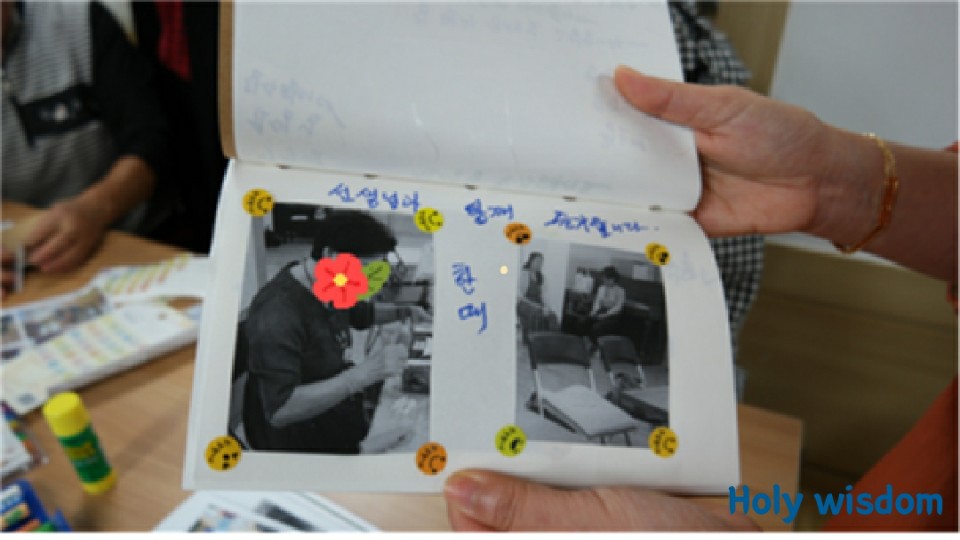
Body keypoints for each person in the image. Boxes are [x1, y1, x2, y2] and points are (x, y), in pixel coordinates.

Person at [442, 66, 957, 531]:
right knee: (583, 328)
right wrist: (828, 183)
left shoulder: (613, 287)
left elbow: (610, 308)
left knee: (596, 332)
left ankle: (605, 368)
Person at [0, 0, 168, 296]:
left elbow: (150, 141)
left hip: (125, 241)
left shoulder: (80, 19)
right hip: (18, 270)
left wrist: (96, 208)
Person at [239, 210, 431, 454]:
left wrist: (404, 312)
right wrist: (362, 375)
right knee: (410, 437)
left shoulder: (321, 281)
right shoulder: (278, 313)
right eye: (365, 269)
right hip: (292, 435)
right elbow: (280, 410)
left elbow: (358, 313)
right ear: (331, 255)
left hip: (331, 403)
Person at [516, 251, 557, 344]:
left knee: (552, 316)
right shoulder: (524, 274)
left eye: (541, 262)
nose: (539, 264)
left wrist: (547, 307)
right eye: (537, 261)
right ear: (531, 261)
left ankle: (549, 342)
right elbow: (519, 296)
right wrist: (536, 306)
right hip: (524, 303)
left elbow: (545, 295)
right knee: (536, 314)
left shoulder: (542, 277)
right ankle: (533, 341)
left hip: (538, 304)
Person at [586, 266, 626, 345]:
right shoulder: (601, 288)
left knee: (597, 328)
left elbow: (618, 308)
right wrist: (594, 311)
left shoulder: (620, 291)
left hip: (612, 316)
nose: (606, 281)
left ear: (614, 279)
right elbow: (597, 302)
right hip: (600, 311)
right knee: (584, 321)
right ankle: (587, 344)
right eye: (604, 279)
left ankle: (597, 346)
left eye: (608, 279)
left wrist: (605, 315)